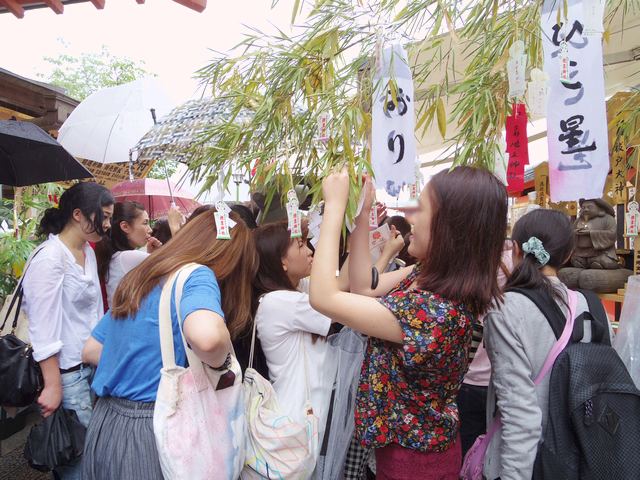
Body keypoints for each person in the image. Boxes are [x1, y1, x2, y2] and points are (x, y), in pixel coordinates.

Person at [309, 167, 508, 479]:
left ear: (450, 227)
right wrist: (362, 219)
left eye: (423, 209)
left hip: (415, 465)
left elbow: (323, 297)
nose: (411, 218)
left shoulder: (434, 312)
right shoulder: (430, 279)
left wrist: (334, 208)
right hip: (410, 453)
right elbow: (364, 286)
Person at [81, 208, 257, 480]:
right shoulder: (198, 275)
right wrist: (221, 361)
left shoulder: (143, 275)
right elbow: (208, 339)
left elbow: (92, 349)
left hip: (106, 423)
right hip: (153, 431)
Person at [482, 209, 597, 480]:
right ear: (568, 255)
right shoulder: (590, 306)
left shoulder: (505, 309)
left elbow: (519, 413)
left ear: (517, 251)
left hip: (529, 464)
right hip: (578, 455)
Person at [22, 182, 114, 480]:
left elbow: (95, 314)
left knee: (94, 451)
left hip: (90, 366)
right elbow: (42, 328)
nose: (109, 224)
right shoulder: (50, 258)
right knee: (76, 458)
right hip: (67, 374)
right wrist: (53, 385)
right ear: (78, 214)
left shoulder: (87, 251)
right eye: (105, 215)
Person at [252, 220, 342, 471]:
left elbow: (342, 282)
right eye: (301, 245)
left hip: (302, 415)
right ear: (282, 262)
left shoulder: (296, 290)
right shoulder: (281, 302)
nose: (310, 250)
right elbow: (341, 301)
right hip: (295, 420)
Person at [457, 241, 513, 457]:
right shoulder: (513, 260)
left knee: (467, 451)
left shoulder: (465, 261)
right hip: (502, 375)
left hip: (468, 377)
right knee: (496, 450)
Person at [94, 201, 161, 307]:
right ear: (125, 227)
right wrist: (175, 226)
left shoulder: (119, 257)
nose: (150, 229)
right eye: (145, 223)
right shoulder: (126, 257)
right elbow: (178, 262)